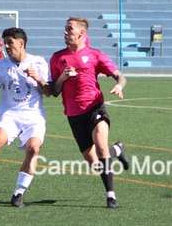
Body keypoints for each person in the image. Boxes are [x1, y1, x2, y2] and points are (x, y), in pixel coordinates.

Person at [49, 17, 130, 209]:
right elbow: (54, 91)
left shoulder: (95, 55)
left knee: (101, 146)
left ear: (82, 33)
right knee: (95, 164)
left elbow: (120, 76)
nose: (65, 32)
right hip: (74, 114)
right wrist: (63, 77)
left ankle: (111, 196)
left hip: (95, 107)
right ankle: (117, 150)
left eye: (70, 29)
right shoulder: (57, 58)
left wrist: (119, 85)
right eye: (65, 29)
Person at [0, 27, 50, 207]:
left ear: (22, 43)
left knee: (33, 149)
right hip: (10, 114)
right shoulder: (0, 65)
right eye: (5, 43)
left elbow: (49, 92)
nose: (6, 46)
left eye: (10, 43)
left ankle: (18, 193)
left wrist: (38, 78)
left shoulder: (38, 62)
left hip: (34, 116)